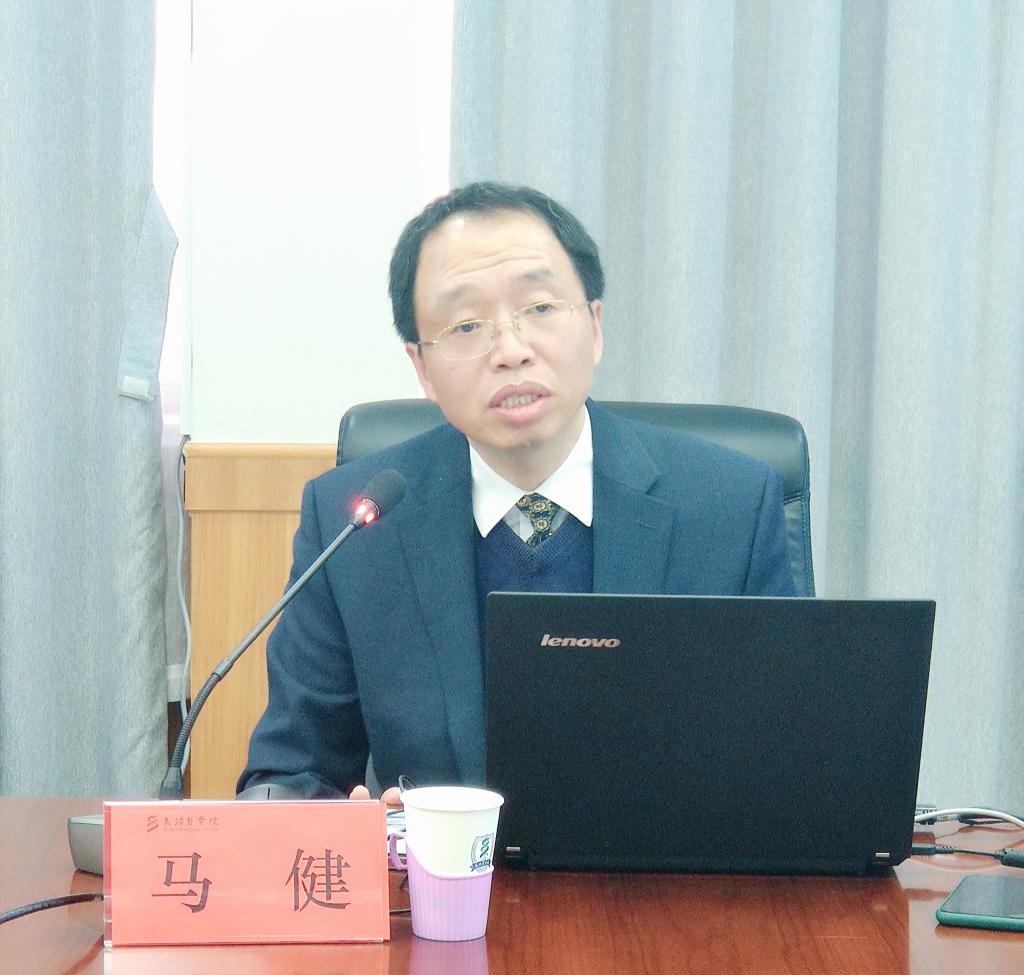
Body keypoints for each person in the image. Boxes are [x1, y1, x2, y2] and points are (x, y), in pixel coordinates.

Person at [237, 182, 795, 802]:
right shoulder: (355, 527)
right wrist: (355, 829)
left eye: (540, 307)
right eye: (466, 325)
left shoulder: (730, 507)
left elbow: (790, 760)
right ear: (422, 368)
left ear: (595, 326)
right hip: (434, 866)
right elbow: (289, 774)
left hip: (670, 866)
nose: (510, 350)